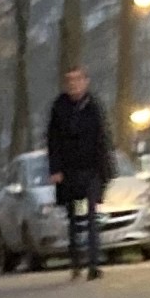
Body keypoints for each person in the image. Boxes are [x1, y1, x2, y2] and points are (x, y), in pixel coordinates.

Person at [46, 65, 116, 280]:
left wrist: (107, 168)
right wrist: (56, 169)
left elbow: (103, 138)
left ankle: (94, 264)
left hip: (91, 172)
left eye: (77, 80)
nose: (74, 85)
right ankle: (76, 260)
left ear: (85, 82)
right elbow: (53, 140)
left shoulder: (94, 107)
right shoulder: (59, 108)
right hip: (70, 175)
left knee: (93, 216)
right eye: (70, 81)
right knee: (76, 218)